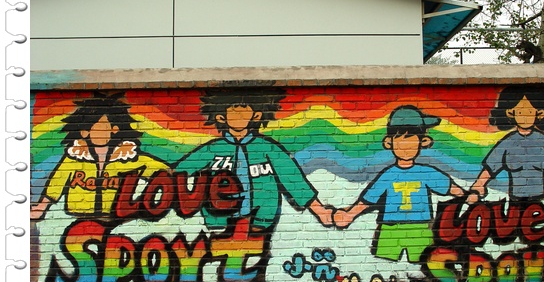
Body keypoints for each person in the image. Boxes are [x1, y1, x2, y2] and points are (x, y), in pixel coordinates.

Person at [173, 88, 333, 233]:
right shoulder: (212, 150)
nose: (239, 114)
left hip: (261, 221)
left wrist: (320, 211)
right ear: (221, 117)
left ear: (256, 115)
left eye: (244, 108)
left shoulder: (268, 148)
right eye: (233, 110)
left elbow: (293, 180)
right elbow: (178, 174)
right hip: (219, 221)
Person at [333, 105, 466, 263]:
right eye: (400, 140)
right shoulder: (388, 175)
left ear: (424, 141)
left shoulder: (427, 173)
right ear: (389, 142)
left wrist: (467, 197)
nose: (406, 145)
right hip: (391, 228)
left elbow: (450, 188)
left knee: (424, 264)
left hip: (420, 227)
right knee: (383, 264)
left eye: (411, 140)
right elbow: (369, 198)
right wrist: (350, 215)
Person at [30, 93, 169, 221]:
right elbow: (56, 184)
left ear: (115, 129)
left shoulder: (129, 158)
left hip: (116, 220)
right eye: (92, 128)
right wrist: (41, 207)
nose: (97, 132)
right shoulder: (74, 158)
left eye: (102, 127)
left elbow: (160, 171)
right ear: (84, 132)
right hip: (78, 218)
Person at [467, 85, 544, 204]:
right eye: (520, 112)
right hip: (515, 203)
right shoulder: (507, 143)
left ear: (540, 113)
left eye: (529, 111)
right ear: (510, 113)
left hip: (539, 204)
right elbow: (490, 168)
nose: (525, 117)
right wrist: (477, 189)